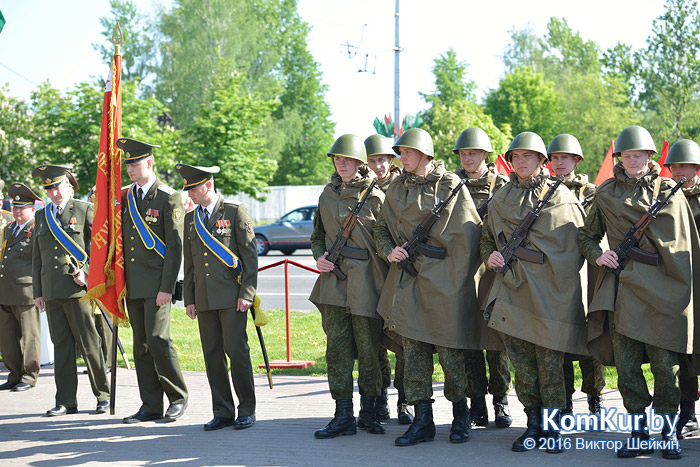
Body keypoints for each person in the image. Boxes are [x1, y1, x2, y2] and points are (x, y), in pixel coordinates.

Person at [579, 125, 700, 460]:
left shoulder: (670, 192)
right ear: (620, 158)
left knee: (666, 368)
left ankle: (667, 431)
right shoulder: (605, 194)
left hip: (663, 294)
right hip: (623, 292)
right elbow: (586, 237)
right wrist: (598, 254)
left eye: (639, 155)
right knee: (629, 369)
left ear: (650, 157)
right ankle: (637, 431)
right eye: (627, 155)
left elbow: (683, 246)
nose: (633, 160)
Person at [374, 128, 482, 446]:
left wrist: (450, 279)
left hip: (445, 283)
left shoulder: (449, 185)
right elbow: (381, 228)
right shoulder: (397, 188)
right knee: (415, 355)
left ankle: (461, 417)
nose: (401, 157)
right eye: (401, 152)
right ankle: (423, 422)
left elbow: (467, 236)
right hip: (408, 281)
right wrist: (388, 251)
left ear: (424, 154)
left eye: (407, 152)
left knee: (451, 355)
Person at [481, 132, 587, 453]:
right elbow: (486, 238)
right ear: (510, 160)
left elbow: (573, 248)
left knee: (550, 363)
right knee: (523, 365)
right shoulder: (500, 199)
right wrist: (491, 254)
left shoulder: (560, 196)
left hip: (549, 293)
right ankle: (534, 424)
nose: (522, 161)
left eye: (529, 156)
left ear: (542, 160)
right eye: (516, 156)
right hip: (512, 290)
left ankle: (555, 425)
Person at [311, 134, 387, 439]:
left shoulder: (376, 197)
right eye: (337, 159)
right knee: (337, 352)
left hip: (367, 284)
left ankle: (370, 412)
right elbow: (317, 237)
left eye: (348, 160)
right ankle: (342, 414)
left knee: (370, 352)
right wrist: (320, 257)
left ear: (359, 162)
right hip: (334, 284)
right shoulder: (326, 196)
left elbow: (386, 239)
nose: (342, 165)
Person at [176, 163, 258, 431]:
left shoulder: (235, 212)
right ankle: (222, 411)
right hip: (204, 299)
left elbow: (249, 257)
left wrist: (247, 293)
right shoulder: (191, 219)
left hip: (232, 297)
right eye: (187, 189)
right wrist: (190, 298)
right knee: (212, 355)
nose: (190, 195)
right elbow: (189, 263)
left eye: (194, 189)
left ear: (208, 185)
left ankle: (246, 409)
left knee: (237, 352)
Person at [118, 138, 188, 423]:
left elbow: (175, 247)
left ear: (149, 163)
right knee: (141, 345)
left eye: (134, 164)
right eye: (128, 165)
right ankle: (149, 404)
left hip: (157, 284)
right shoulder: (125, 196)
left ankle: (178, 397)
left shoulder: (167, 196)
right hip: (133, 283)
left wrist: (166, 288)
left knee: (159, 339)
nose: (130, 169)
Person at [31, 164, 110, 416]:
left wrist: (86, 272)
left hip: (78, 291)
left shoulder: (85, 210)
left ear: (68, 184)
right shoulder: (42, 216)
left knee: (89, 344)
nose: (54, 192)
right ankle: (66, 400)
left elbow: (100, 249)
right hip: (52, 291)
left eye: (57, 186)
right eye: (49, 188)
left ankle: (104, 396)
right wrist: (38, 291)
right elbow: (37, 258)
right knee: (61, 348)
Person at [452, 127, 513, 429]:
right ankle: (476, 402)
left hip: (491, 271)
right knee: (468, 341)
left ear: (485, 155)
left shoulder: (501, 185)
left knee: (495, 340)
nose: (467, 158)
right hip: (460, 272)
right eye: (463, 153)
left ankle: (500, 401)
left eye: (472, 153)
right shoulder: (450, 185)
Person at [547, 134, 606, 415]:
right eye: (555, 158)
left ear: (576, 161)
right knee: (562, 336)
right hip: (556, 271)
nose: (559, 163)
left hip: (588, 269)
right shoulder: (542, 191)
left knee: (589, 333)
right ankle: (565, 398)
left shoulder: (593, 192)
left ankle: (595, 394)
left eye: (565, 158)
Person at [364, 134, 412, 425]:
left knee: (404, 342)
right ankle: (380, 398)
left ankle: (405, 401)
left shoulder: (402, 186)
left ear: (391, 161)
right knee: (375, 343)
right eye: (371, 161)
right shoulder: (358, 189)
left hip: (399, 273)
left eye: (382, 160)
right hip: (370, 277)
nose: (378, 166)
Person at [662, 138, 700, 440]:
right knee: (682, 350)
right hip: (677, 287)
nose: (678, 172)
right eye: (673, 167)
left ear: (696, 168)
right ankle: (687, 413)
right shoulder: (662, 200)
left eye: (684, 166)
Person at [0, 183, 42, 392]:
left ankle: (28, 376)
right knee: (7, 338)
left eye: (22, 208)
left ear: (32, 209)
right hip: (5, 290)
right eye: (15, 207)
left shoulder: (36, 229)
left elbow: (39, 261)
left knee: (29, 338)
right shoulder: (8, 228)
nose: (17, 211)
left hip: (26, 292)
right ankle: (14, 374)